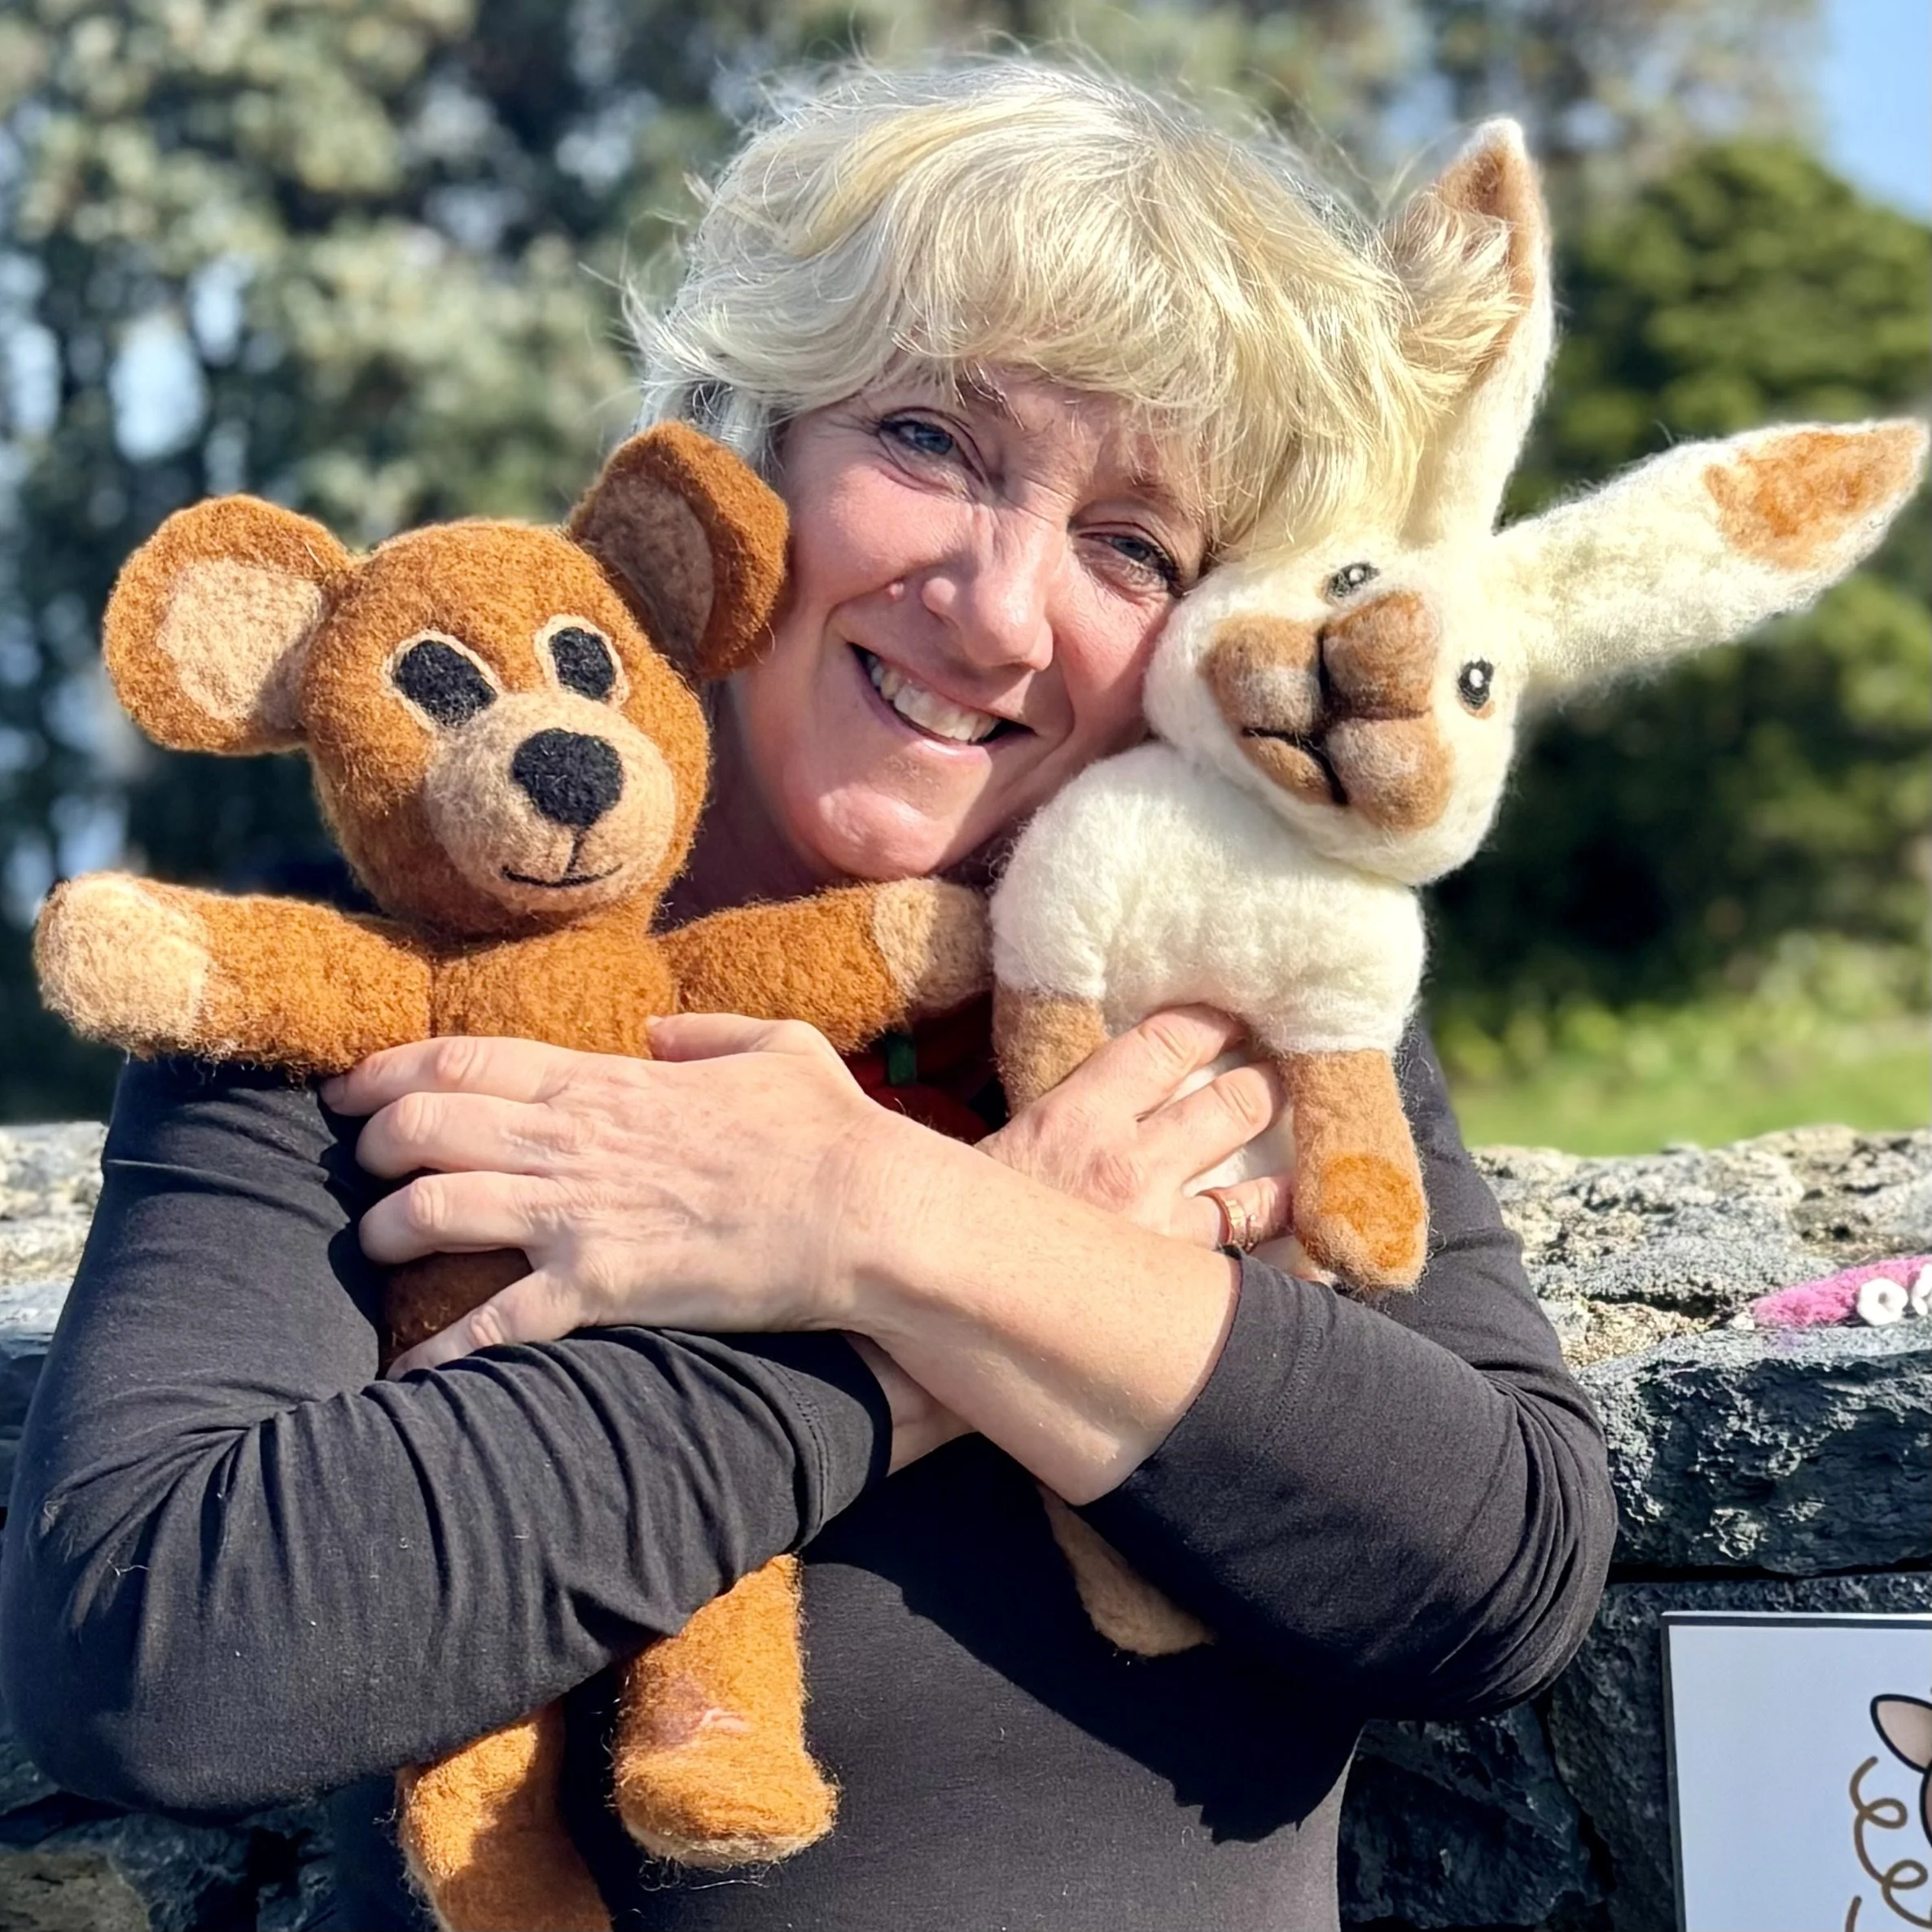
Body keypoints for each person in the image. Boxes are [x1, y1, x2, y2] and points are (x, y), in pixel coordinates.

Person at [0, 59, 1615, 1932]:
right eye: (930, 441)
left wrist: (882, 1217)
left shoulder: (1223, 977)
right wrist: (921, 1320)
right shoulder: (372, 975)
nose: (998, 605)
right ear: (735, 458)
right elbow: (155, 1650)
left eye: (1130, 546)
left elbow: (1499, 1565)